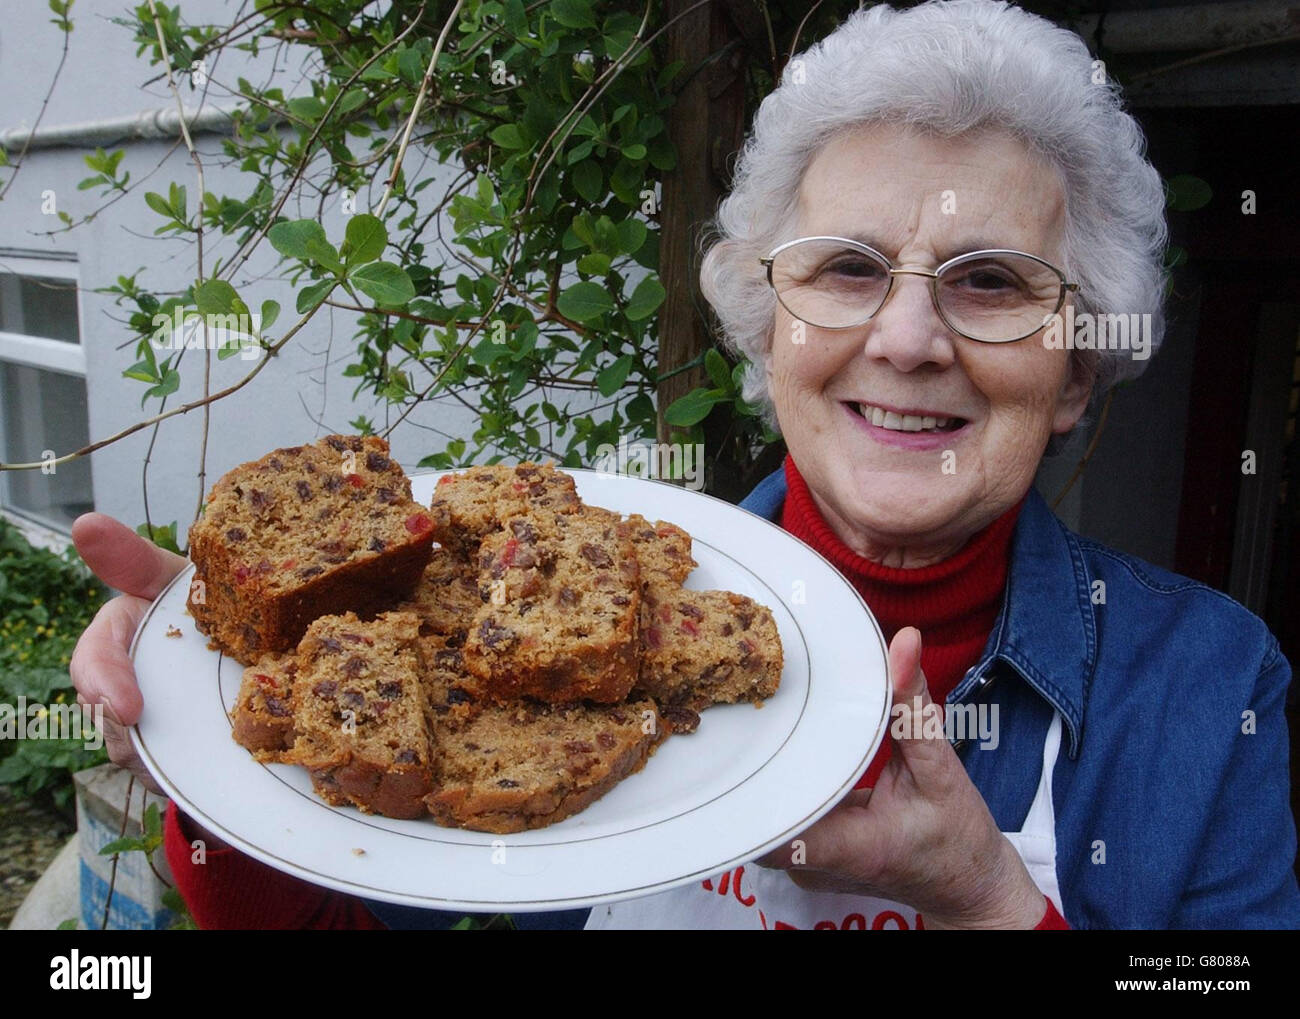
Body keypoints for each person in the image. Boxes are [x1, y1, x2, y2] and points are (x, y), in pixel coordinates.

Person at [71, 0, 1300, 929]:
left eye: (991, 282)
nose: (909, 338)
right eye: (847, 268)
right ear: (770, 335)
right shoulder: (558, 629)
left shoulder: (1210, 691)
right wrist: (225, 755)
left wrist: (985, 898)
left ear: (1077, 366)